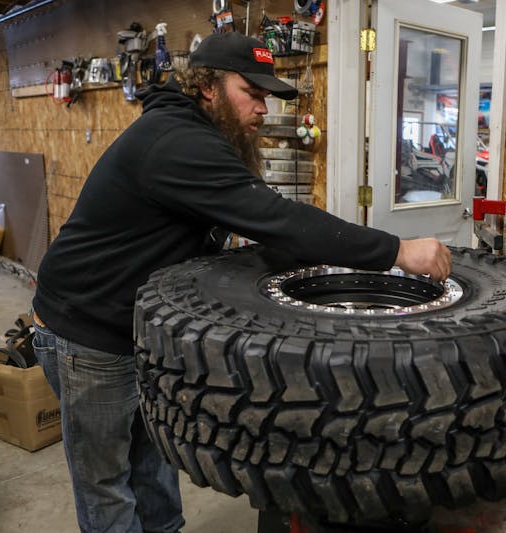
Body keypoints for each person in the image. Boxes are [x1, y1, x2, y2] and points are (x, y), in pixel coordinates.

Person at [31, 31, 451, 533]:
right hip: (86, 331)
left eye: (267, 97)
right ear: (208, 87)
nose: (263, 109)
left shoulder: (202, 136)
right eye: (252, 93)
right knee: (108, 487)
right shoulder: (176, 141)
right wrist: (397, 251)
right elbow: (276, 217)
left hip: (137, 328)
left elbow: (251, 222)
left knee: (155, 466)